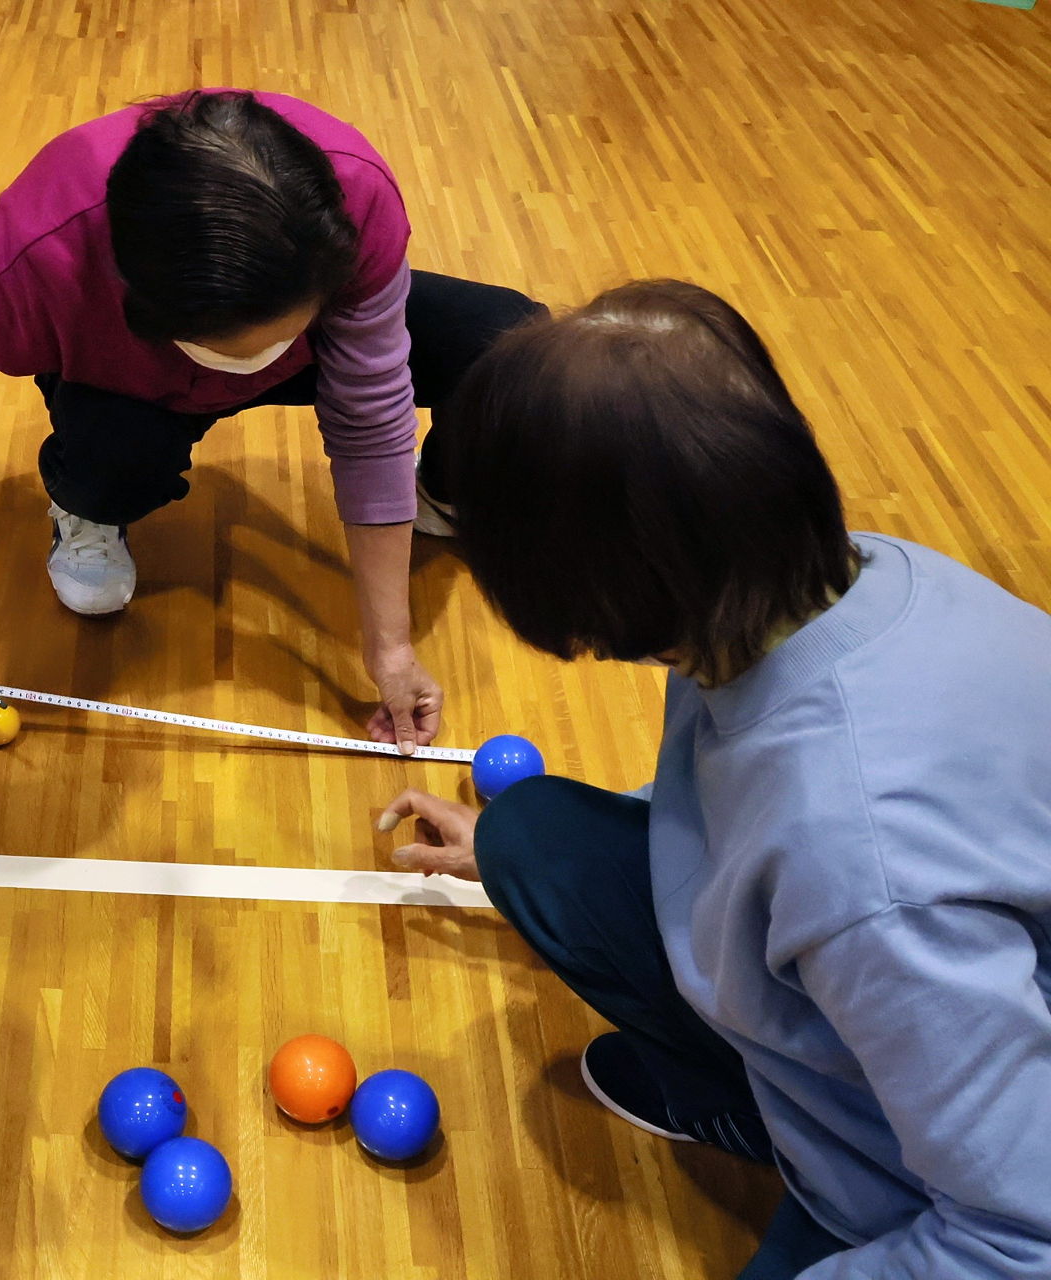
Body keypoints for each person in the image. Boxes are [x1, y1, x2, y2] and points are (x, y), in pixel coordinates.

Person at [379, 281, 1051, 1278]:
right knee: (532, 840)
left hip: (978, 1192)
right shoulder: (816, 580)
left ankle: (820, 1165)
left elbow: (1022, 1236)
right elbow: (751, 790)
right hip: (930, 1005)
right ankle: (766, 1106)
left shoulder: (864, 865)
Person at [0, 90, 544, 753]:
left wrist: (389, 648)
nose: (261, 361)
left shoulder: (353, 204)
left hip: (278, 323)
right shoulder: (35, 261)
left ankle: (434, 492)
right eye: (238, 351)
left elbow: (371, 420)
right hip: (128, 382)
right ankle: (89, 506)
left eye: (284, 334)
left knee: (508, 346)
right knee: (112, 463)